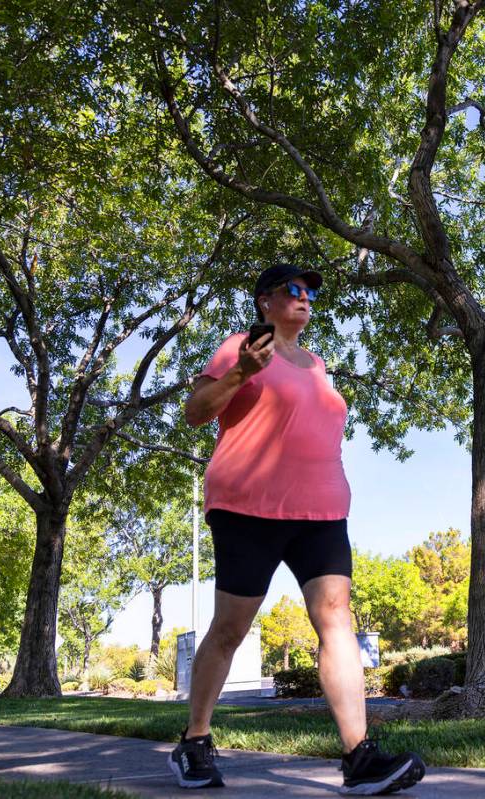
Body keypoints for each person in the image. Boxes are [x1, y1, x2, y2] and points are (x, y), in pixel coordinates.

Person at [168, 263, 426, 794]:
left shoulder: (317, 364)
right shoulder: (239, 346)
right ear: (265, 301)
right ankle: (195, 740)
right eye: (294, 290)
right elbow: (196, 412)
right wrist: (241, 372)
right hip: (249, 505)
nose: (305, 298)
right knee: (230, 629)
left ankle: (359, 756)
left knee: (336, 619)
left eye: (310, 292)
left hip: (322, 511)